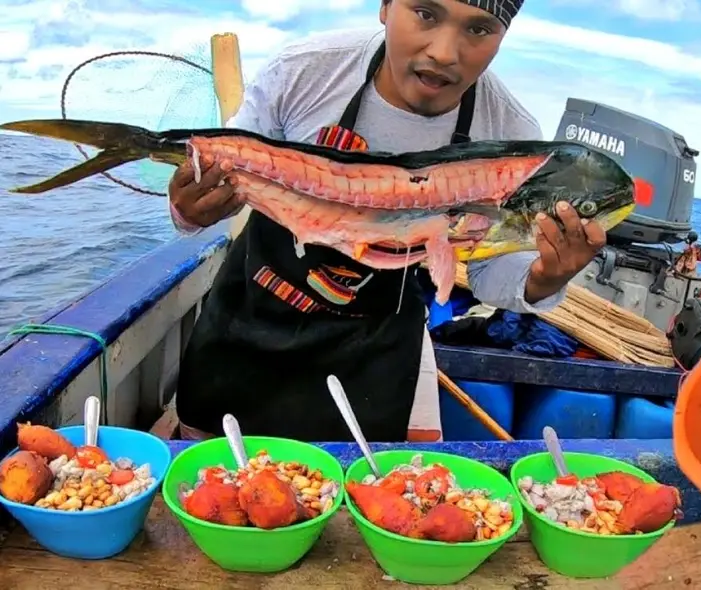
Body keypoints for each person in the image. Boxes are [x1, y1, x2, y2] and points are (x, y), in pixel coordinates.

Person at [167, 0, 607, 442]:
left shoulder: (511, 137)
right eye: (426, 14)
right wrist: (188, 211)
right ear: (385, 6)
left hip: (374, 352)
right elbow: (219, 177)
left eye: (479, 29)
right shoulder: (303, 73)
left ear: (503, 36)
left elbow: (489, 270)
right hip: (249, 326)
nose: (444, 51)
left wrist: (546, 277)